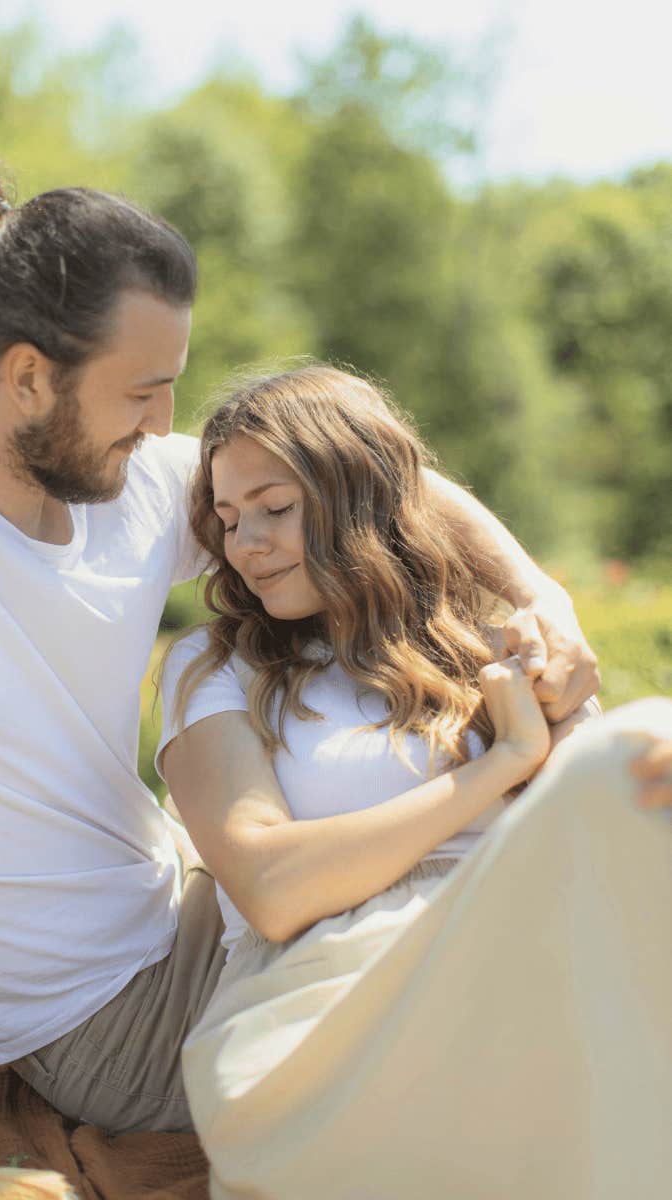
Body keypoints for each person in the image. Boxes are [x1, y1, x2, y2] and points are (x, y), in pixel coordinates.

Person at [0, 154, 605, 1137]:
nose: (163, 424)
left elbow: (376, 481)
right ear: (28, 377)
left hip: (182, 915)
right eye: (143, 392)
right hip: (97, 1018)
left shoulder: (128, 476)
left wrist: (542, 601)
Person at [156, 365, 672, 1198]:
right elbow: (271, 888)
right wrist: (501, 764)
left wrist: (590, 744)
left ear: (357, 494)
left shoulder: (491, 646)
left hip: (519, 970)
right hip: (318, 1014)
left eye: (275, 508)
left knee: (644, 758)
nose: (245, 543)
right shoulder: (215, 666)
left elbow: (593, 825)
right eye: (228, 518)